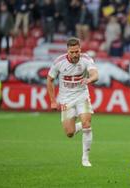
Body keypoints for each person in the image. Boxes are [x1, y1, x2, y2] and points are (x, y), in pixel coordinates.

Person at [46, 37, 98, 167]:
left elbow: (95, 74)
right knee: (69, 133)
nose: (75, 54)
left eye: (77, 51)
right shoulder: (59, 62)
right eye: (72, 52)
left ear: (80, 49)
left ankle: (85, 158)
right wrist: (53, 101)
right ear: (67, 51)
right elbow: (50, 79)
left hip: (82, 96)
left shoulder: (86, 59)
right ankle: (79, 126)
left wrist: (89, 80)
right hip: (66, 99)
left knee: (87, 123)